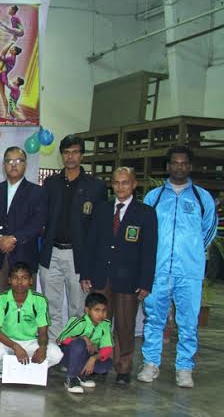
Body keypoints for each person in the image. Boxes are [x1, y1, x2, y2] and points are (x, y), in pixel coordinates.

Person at [139, 146, 217, 388]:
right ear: (168, 166)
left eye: (184, 163)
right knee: (154, 319)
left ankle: (184, 367)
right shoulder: (154, 197)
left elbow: (209, 231)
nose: (179, 167)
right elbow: (146, 233)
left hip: (189, 272)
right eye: (175, 162)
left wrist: (190, 252)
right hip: (158, 271)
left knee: (188, 321)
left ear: (190, 167)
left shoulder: (202, 198)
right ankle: (151, 363)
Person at [81, 167, 157, 385]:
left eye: (125, 183)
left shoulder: (145, 213)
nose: (120, 187)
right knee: (99, 324)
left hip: (129, 281)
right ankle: (100, 364)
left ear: (134, 185)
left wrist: (145, 282)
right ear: (111, 185)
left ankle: (123, 368)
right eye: (116, 183)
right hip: (101, 277)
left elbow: (149, 251)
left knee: (125, 326)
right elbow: (90, 244)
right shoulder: (102, 209)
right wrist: (86, 273)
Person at [40, 135, 107, 339]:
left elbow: (99, 227)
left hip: (78, 256)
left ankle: (74, 349)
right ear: (61, 155)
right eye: (66, 152)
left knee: (77, 306)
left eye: (75, 152)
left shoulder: (96, 186)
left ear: (82, 155)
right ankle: (54, 347)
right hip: (51, 252)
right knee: (51, 304)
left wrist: (92, 261)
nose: (70, 156)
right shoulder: (51, 183)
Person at [0, 147, 46, 296]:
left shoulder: (38, 192)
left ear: (25, 164)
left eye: (18, 161)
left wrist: (14, 238)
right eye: (9, 161)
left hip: (24, 254)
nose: (14, 165)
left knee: (23, 307)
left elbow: (38, 222)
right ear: (3, 165)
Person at [0, 262, 63, 374]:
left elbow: (43, 332)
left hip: (31, 342)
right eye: (15, 278)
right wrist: (16, 346)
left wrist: (42, 348)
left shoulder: (40, 300)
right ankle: (4, 368)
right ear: (9, 280)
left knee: (56, 354)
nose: (19, 282)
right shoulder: (1, 299)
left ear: (31, 281)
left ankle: (29, 369)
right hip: (7, 342)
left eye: (24, 278)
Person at [57, 293, 114, 394]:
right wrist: (83, 337)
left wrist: (93, 358)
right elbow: (60, 339)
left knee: (106, 364)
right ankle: (71, 378)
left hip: (86, 356)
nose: (101, 314)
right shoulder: (78, 322)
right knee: (79, 344)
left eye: (104, 310)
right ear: (87, 311)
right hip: (67, 355)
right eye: (97, 310)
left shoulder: (105, 324)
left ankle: (80, 375)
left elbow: (107, 348)